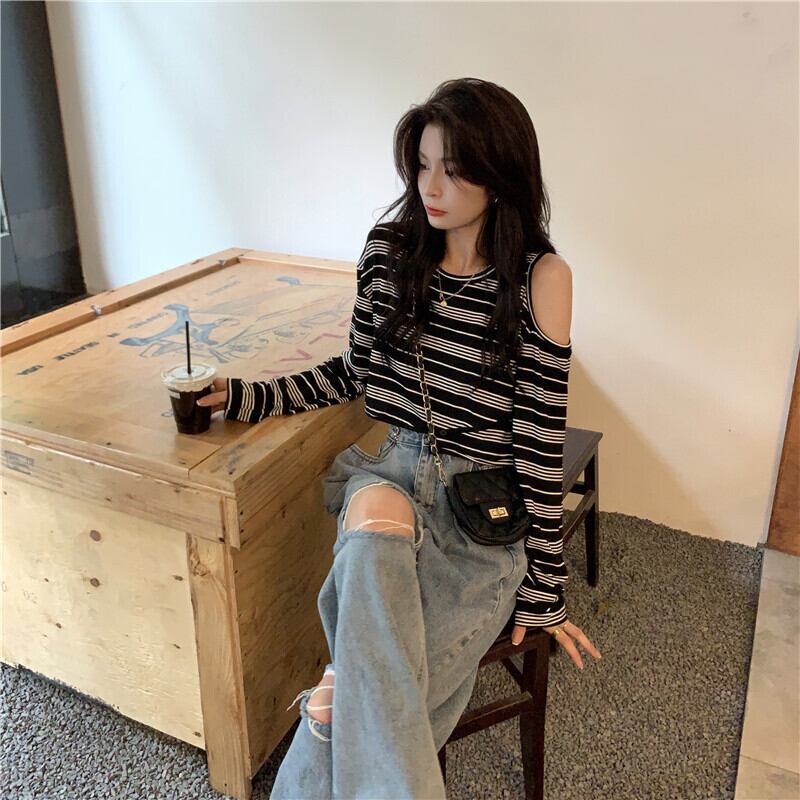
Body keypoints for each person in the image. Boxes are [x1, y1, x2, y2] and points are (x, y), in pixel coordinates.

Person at [197, 77, 601, 799]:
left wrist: (544, 584)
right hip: (391, 474)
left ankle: (329, 705)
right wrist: (250, 396)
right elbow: (355, 372)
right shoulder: (388, 253)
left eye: (454, 168)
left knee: (349, 700)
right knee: (377, 520)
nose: (430, 186)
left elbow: (539, 441)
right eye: (421, 165)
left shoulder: (541, 279)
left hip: (479, 506)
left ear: (500, 173)